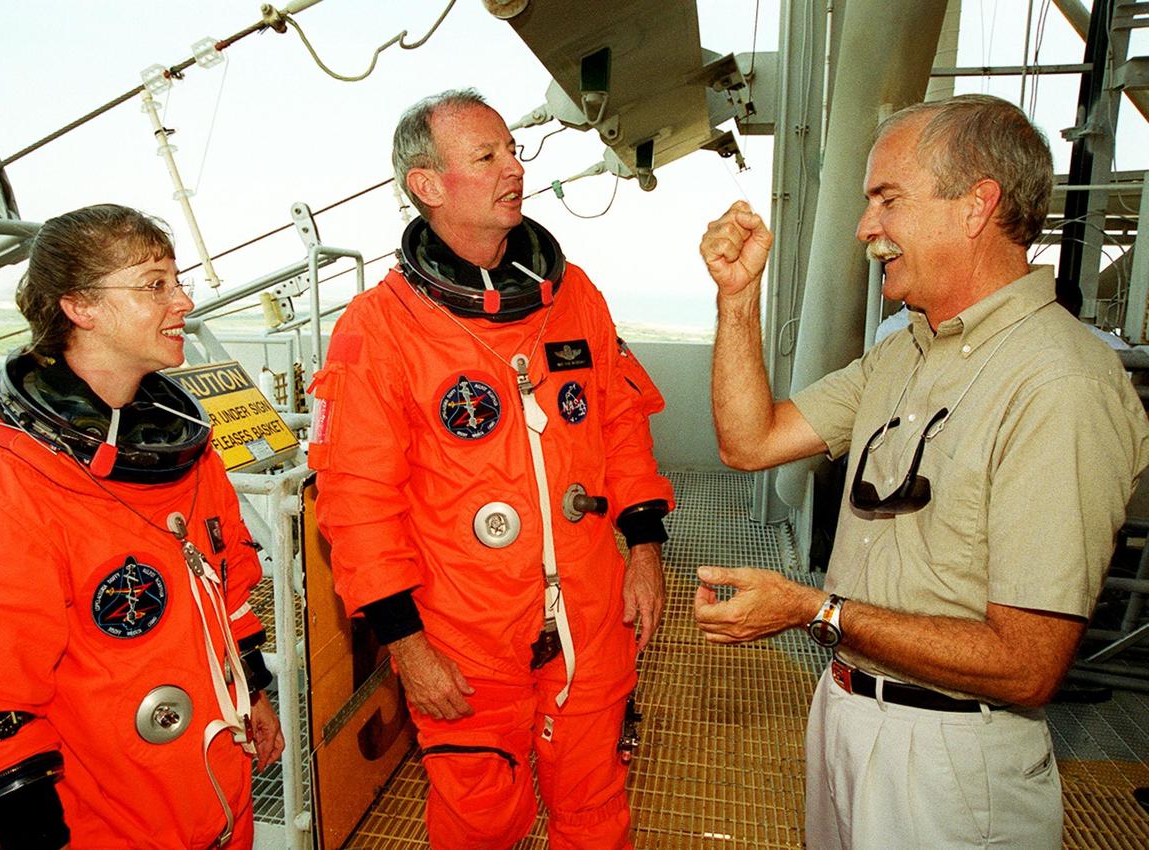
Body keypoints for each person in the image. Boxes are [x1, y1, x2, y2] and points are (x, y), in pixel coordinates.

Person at [695, 94, 1149, 848]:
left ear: (976, 206)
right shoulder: (906, 350)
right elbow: (752, 440)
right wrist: (738, 300)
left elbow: (1027, 664)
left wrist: (816, 610)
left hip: (951, 764)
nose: (866, 228)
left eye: (887, 199)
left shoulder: (1061, 383)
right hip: (845, 714)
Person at [307, 89, 674, 850]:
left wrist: (643, 548)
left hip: (587, 612)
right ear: (428, 184)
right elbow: (357, 505)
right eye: (488, 156)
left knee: (595, 806)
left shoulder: (574, 297)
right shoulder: (378, 329)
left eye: (512, 149)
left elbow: (622, 425)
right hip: (462, 633)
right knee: (478, 819)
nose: (516, 167)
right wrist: (407, 646)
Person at [0, 204, 284, 850]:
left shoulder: (184, 453)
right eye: (155, 284)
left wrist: (257, 688)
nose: (184, 300)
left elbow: (228, 584)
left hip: (213, 807)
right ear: (80, 306)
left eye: (177, 280)